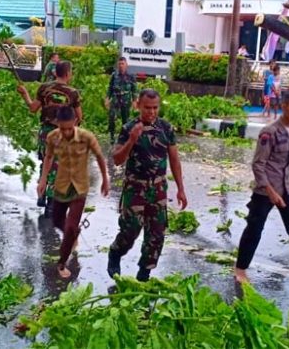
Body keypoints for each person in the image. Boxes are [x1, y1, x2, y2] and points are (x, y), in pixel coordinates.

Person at [233, 89, 289, 293]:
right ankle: (240, 269)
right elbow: (258, 165)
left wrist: (282, 192)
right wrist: (271, 192)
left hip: (286, 188)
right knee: (254, 229)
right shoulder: (270, 132)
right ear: (284, 107)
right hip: (266, 191)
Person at [107, 89, 188, 282]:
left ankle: (144, 272)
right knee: (131, 228)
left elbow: (174, 159)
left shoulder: (166, 128)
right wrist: (132, 140)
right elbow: (117, 159)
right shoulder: (129, 128)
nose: (151, 112)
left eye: (155, 108)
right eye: (147, 108)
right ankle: (116, 253)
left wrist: (181, 189)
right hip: (136, 187)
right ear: (138, 105)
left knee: (157, 234)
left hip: (158, 188)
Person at [37, 106, 109, 279]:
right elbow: (48, 157)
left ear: (76, 122)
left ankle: (62, 263)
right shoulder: (52, 137)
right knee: (56, 221)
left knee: (70, 227)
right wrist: (43, 179)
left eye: (69, 128)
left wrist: (106, 179)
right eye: (63, 128)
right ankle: (73, 235)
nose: (66, 132)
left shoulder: (86, 137)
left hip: (80, 187)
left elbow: (100, 156)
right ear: (57, 123)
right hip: (60, 185)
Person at [18, 61, 83, 214]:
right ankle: (51, 203)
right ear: (68, 74)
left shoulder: (44, 88)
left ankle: (42, 192)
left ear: (55, 73)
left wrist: (24, 94)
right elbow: (80, 116)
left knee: (45, 161)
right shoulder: (73, 93)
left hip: (45, 132)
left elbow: (33, 108)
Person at [105, 57, 138, 144]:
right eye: (119, 64)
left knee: (125, 120)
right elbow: (110, 88)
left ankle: (124, 137)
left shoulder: (131, 76)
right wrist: (107, 98)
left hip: (126, 99)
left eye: (122, 64)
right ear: (117, 65)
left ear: (126, 65)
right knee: (111, 117)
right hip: (115, 98)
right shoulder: (114, 75)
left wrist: (135, 101)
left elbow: (134, 89)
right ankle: (112, 136)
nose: (121, 66)